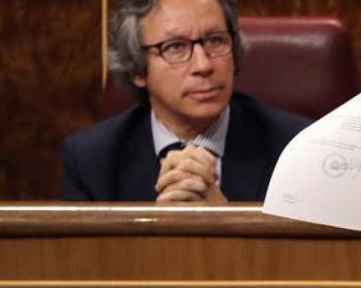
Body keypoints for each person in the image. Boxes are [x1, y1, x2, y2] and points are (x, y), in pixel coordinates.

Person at [62, 0, 308, 203]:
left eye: (215, 40)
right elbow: (89, 262)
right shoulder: (91, 160)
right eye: (175, 47)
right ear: (137, 69)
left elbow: (310, 261)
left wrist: (227, 221)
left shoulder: (297, 151)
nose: (203, 65)